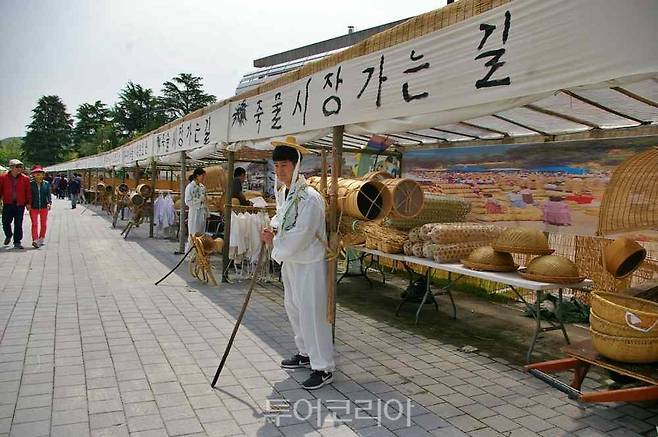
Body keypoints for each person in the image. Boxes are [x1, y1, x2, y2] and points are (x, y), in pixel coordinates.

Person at [261, 136, 335, 390]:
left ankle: (323, 366)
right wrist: (271, 229)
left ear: (296, 166)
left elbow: (303, 233)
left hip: (309, 262)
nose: (279, 171)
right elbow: (281, 219)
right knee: (293, 307)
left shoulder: (310, 198)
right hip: (291, 261)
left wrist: (275, 244)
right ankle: (305, 353)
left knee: (312, 313)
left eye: (284, 165)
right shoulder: (285, 193)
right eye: (277, 166)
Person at [0, 159, 32, 249]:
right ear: (11, 167)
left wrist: (28, 203)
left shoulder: (25, 178)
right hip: (8, 203)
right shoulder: (3, 178)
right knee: (5, 222)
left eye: (21, 166)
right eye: (17, 166)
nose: (19, 168)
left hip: (20, 204)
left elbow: (28, 192)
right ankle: (9, 235)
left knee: (18, 223)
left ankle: (17, 242)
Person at [184, 167, 208, 252]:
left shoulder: (203, 187)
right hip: (194, 212)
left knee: (201, 233)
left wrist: (207, 211)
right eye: (202, 176)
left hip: (202, 212)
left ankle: (200, 253)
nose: (203, 178)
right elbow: (187, 201)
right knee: (193, 232)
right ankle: (191, 253)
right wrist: (199, 200)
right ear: (197, 176)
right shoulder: (190, 187)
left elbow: (205, 200)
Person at [28, 165, 51, 248]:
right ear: (33, 175)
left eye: (40, 173)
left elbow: (48, 194)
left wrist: (49, 203)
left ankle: (41, 238)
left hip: (44, 206)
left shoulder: (46, 183)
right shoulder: (30, 184)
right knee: (34, 223)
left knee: (43, 223)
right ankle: (35, 239)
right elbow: (28, 195)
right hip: (33, 206)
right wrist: (28, 204)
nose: (38, 175)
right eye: (36, 173)